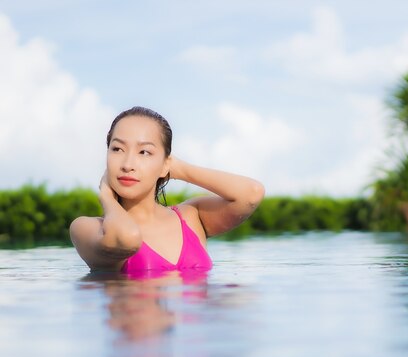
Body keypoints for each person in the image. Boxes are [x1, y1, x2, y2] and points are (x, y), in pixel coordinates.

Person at [70, 106, 264, 273]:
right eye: (117, 149)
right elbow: (127, 238)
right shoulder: (87, 229)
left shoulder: (191, 216)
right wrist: (107, 198)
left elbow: (251, 193)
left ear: (166, 164)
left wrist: (181, 170)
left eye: (144, 152)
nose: (128, 164)